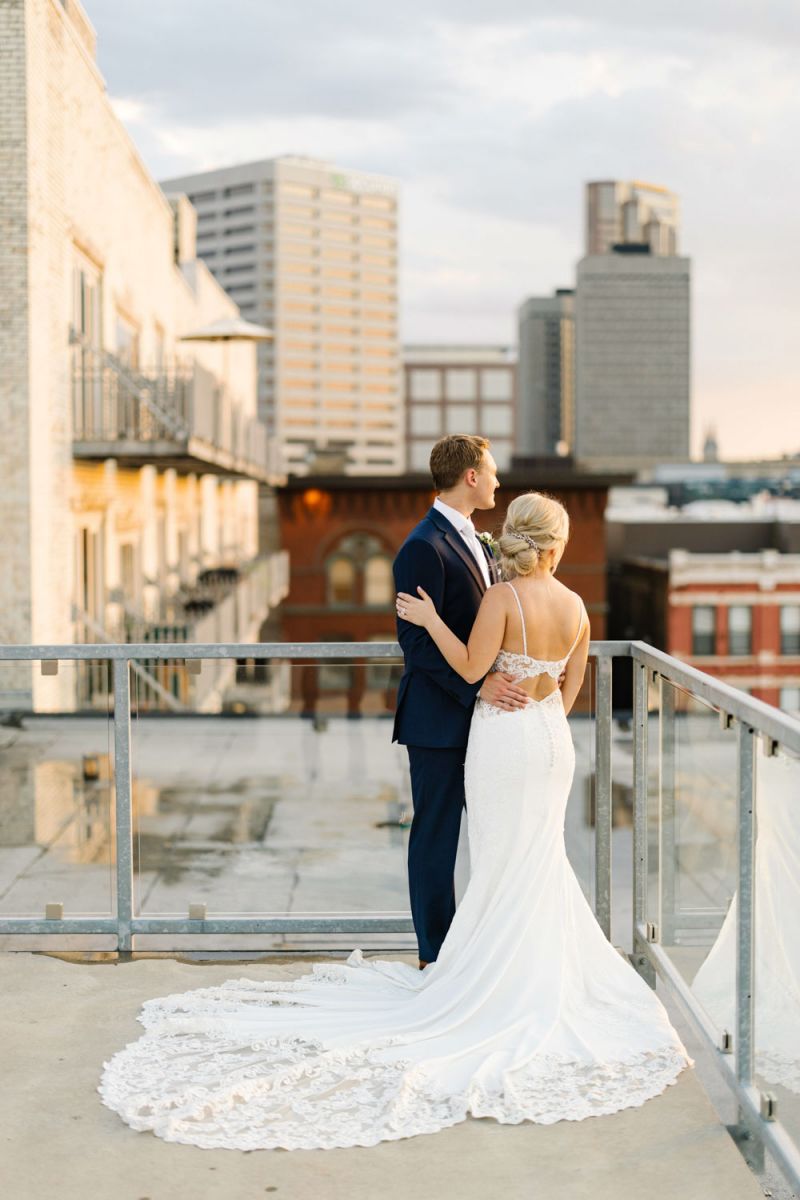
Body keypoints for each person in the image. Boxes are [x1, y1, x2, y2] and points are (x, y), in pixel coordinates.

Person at [98, 490, 693, 1151]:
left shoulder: (504, 600)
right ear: (558, 546)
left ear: (519, 540)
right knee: (540, 859)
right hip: (551, 740)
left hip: (502, 741)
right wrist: (540, 698)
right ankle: (542, 980)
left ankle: (485, 981)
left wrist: (432, 618)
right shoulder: (578, 607)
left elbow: (471, 668)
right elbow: (572, 691)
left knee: (498, 863)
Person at [392, 435, 530, 970]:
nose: (497, 480)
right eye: (491, 471)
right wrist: (478, 687)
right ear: (471, 476)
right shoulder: (422, 547)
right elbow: (417, 643)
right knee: (436, 838)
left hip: (486, 720)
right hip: (437, 722)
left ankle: (484, 943)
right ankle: (436, 955)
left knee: (494, 832)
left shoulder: (479, 539)